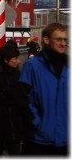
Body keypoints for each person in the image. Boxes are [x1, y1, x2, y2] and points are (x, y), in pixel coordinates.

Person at [19, 23, 68, 156]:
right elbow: (23, 99)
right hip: (38, 140)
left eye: (65, 40)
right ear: (47, 40)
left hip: (65, 140)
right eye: (59, 39)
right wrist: (36, 123)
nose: (63, 43)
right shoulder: (33, 66)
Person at [0, 44, 35, 156]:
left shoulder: (16, 73)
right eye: (15, 58)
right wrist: (13, 95)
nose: (18, 61)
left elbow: (22, 93)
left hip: (15, 120)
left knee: (15, 150)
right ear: (6, 60)